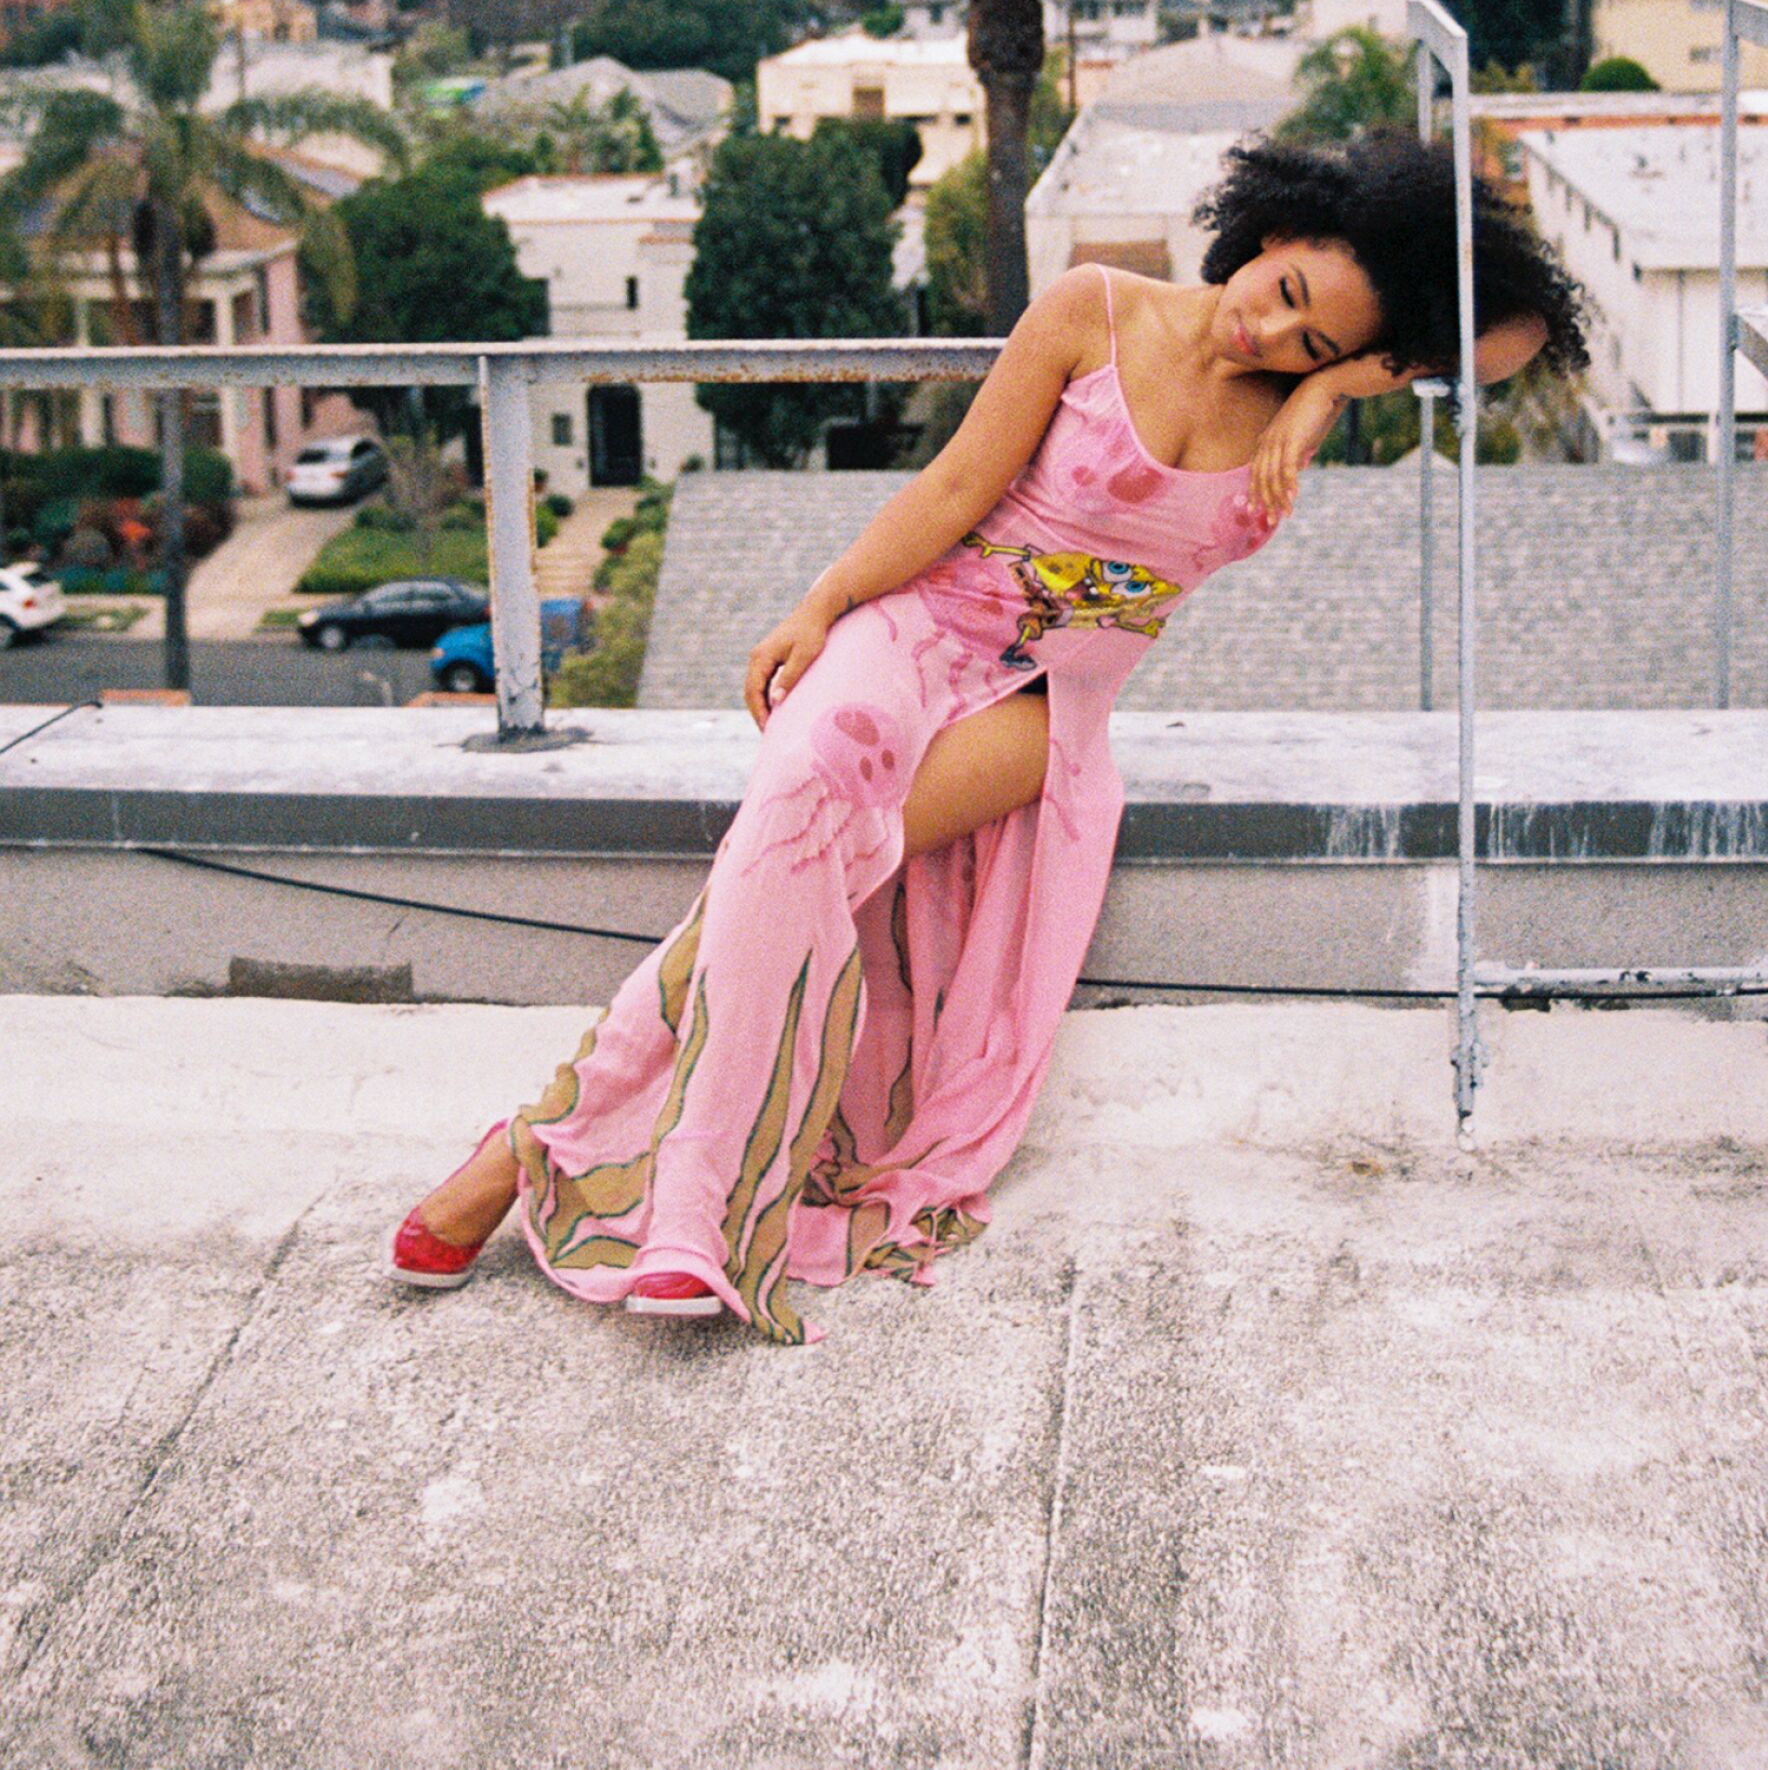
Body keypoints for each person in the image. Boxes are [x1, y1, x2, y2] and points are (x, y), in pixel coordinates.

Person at [388, 129, 1586, 1342]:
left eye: (1314, 342)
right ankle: (617, 1184)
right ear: (1268, 235)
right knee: (798, 816)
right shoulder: (1091, 310)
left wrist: (1330, 387)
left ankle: (587, 1181)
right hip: (917, 631)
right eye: (1280, 297)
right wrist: (819, 607)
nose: (1268, 338)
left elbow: (1511, 336)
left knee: (809, 863)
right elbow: (953, 491)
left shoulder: (1302, 403)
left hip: (1043, 703)